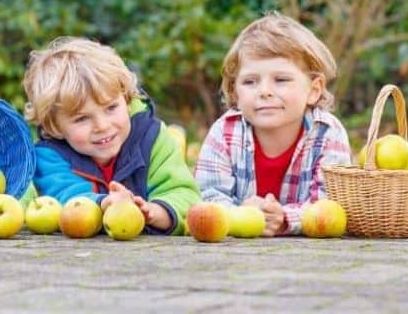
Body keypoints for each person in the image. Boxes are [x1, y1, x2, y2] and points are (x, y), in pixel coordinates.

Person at [23, 37, 200, 235]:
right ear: (54, 126)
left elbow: (185, 194)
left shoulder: (153, 138)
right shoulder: (48, 156)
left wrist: (156, 212)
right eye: (82, 119)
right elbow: (62, 197)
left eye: (111, 107)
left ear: (126, 98)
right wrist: (104, 203)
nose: (102, 126)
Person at [194, 12, 351, 236]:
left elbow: (331, 203)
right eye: (250, 82)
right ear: (235, 92)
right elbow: (207, 196)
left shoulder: (327, 134)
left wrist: (285, 218)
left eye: (281, 80)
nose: (265, 91)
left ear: (314, 90)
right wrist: (240, 214)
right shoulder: (225, 132)